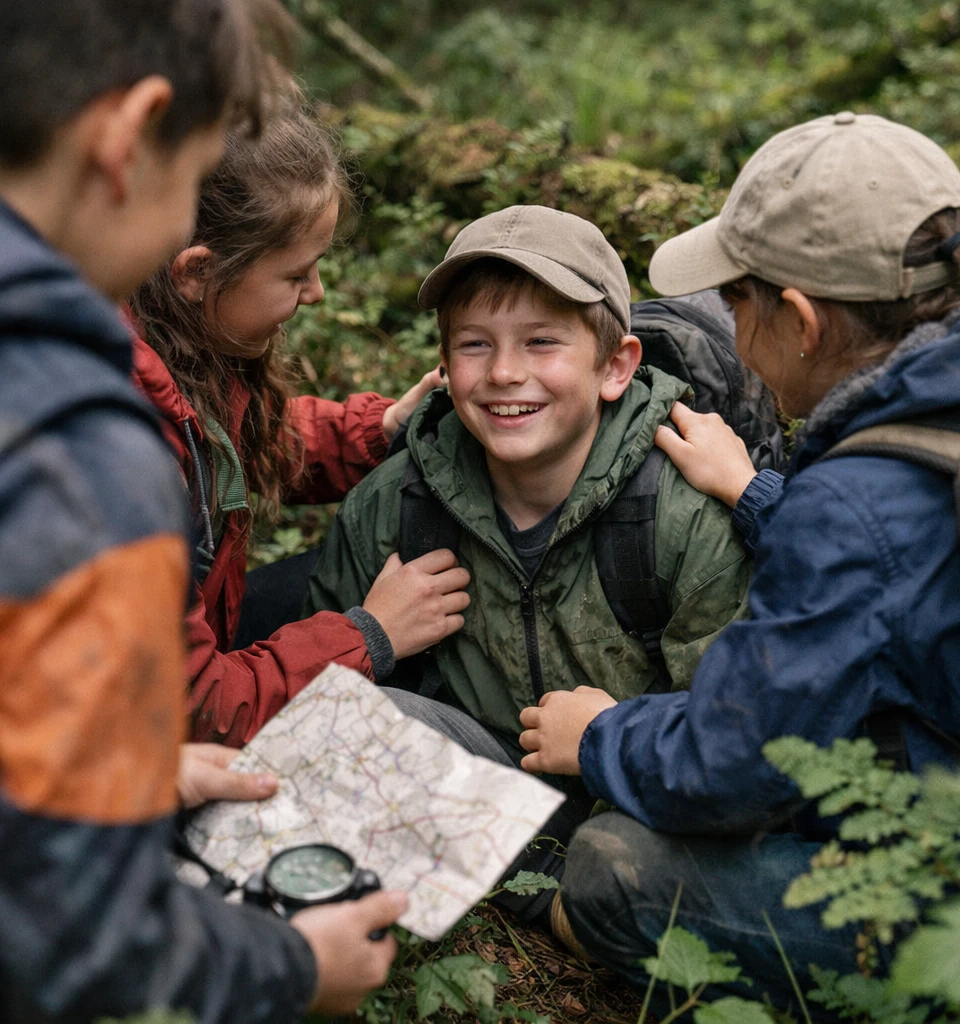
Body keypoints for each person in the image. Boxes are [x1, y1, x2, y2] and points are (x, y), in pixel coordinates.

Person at [517, 112, 960, 1009]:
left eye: (736, 301)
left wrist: (597, 736)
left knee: (613, 871)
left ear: (799, 321)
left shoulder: (857, 506)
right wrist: (755, 493)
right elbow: (909, 560)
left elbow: (733, 765)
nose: (727, 324)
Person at [0, 3, 407, 1020]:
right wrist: (293, 967)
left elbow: (260, 438)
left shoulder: (149, 369)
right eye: (189, 182)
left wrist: (375, 429)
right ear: (129, 139)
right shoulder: (83, 455)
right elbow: (72, 927)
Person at [306, 204, 752, 924]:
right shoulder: (396, 505)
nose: (506, 373)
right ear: (444, 366)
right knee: (348, 718)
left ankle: (570, 903)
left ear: (615, 366)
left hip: (643, 801)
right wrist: (372, 631)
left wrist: (616, 742)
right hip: (484, 789)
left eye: (542, 343)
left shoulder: (681, 511)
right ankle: (549, 909)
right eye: (475, 345)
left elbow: (734, 734)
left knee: (620, 854)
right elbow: (322, 708)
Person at [129, 97, 470, 747]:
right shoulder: (127, 445)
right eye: (295, 274)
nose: (315, 293)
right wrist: (371, 635)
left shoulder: (178, 342)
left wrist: (378, 429)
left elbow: (239, 437)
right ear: (198, 272)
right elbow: (193, 707)